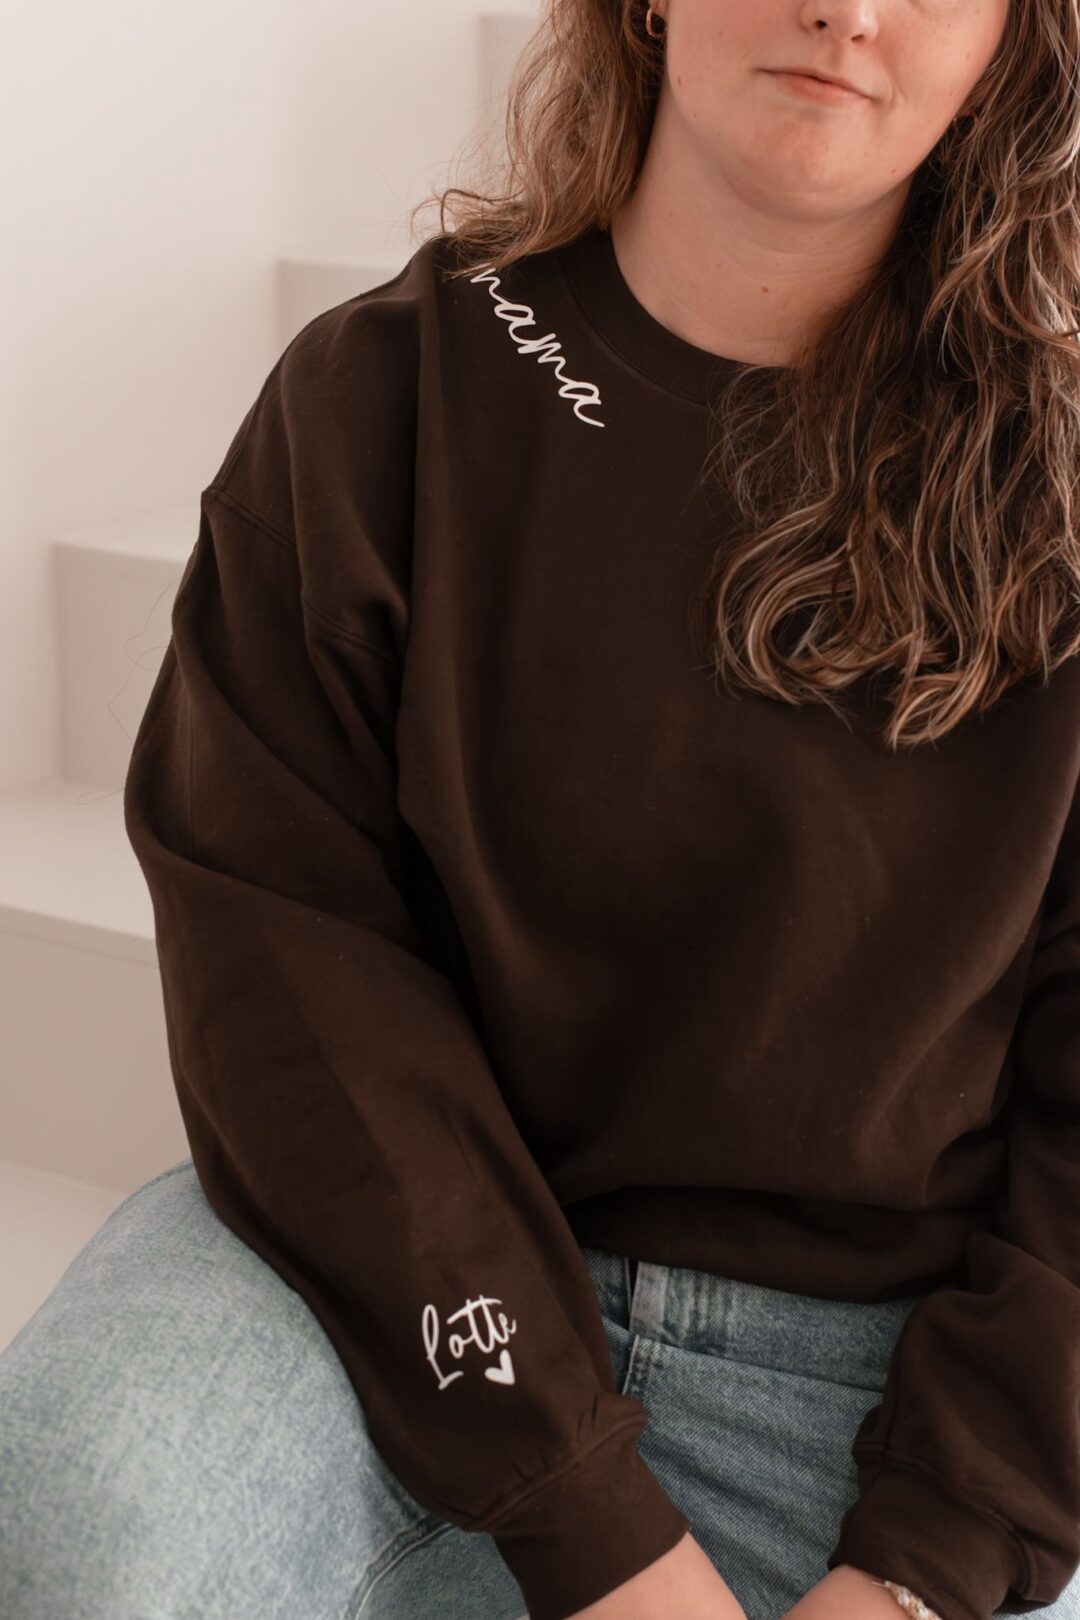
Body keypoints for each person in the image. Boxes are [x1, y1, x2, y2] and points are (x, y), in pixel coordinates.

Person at [3, 0, 1080, 1616]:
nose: (849, 11)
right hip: (383, 1286)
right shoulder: (381, 398)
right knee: (80, 1517)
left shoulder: (1054, 495)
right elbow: (286, 979)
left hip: (885, 1389)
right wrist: (594, 1530)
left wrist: (921, 1572)